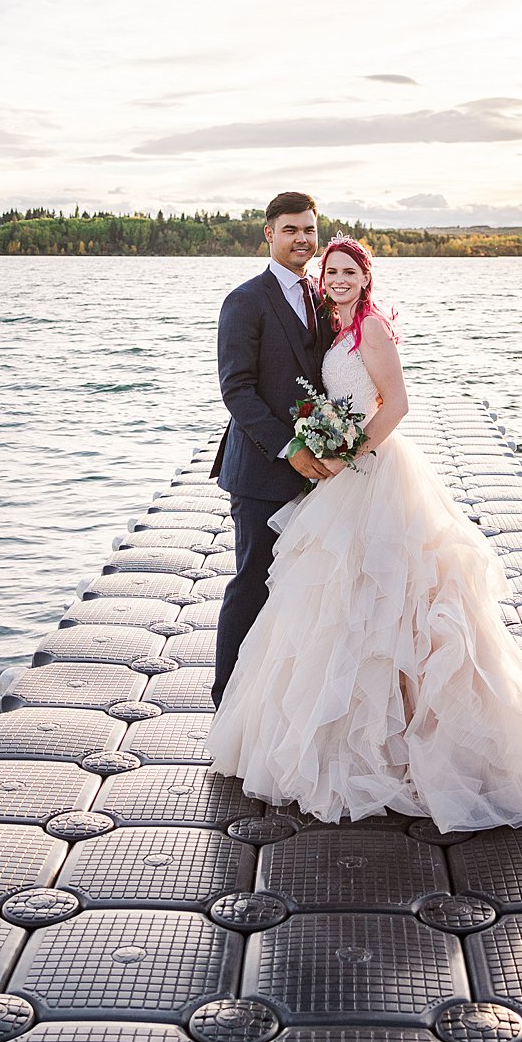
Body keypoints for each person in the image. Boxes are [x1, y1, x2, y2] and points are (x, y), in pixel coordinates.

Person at [208, 235, 522, 829]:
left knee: (395, 594)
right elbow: (260, 386)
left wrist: (349, 453)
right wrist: (324, 442)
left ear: (365, 278)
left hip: (371, 471)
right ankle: (332, 722)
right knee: (331, 597)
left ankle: (404, 729)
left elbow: (395, 405)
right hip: (334, 474)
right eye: (332, 271)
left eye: (348, 271)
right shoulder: (327, 323)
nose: (338, 278)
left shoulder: (370, 329)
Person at [210, 190, 336, 708]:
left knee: (306, 586)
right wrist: (290, 447)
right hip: (263, 472)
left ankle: (283, 703)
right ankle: (227, 704)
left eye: (309, 229)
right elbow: (236, 389)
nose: (302, 239)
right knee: (252, 584)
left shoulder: (324, 296)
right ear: (269, 233)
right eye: (290, 229)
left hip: (323, 472)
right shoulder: (245, 301)